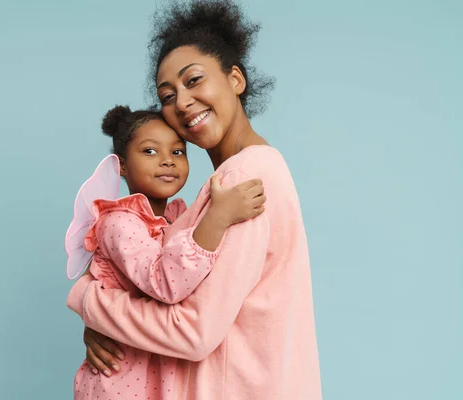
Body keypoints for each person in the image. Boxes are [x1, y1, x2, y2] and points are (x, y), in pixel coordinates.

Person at [68, 1, 322, 398]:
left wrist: (90, 303)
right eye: (167, 96)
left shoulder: (240, 179)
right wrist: (103, 325)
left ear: (235, 79)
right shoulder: (235, 177)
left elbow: (193, 332)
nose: (182, 102)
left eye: (194, 80)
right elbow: (157, 282)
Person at [71, 105, 265, 399]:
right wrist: (219, 217)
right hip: (121, 381)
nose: (167, 161)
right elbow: (166, 283)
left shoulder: (178, 220)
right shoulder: (118, 222)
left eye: (177, 152)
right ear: (121, 166)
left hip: (162, 374)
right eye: (150, 151)